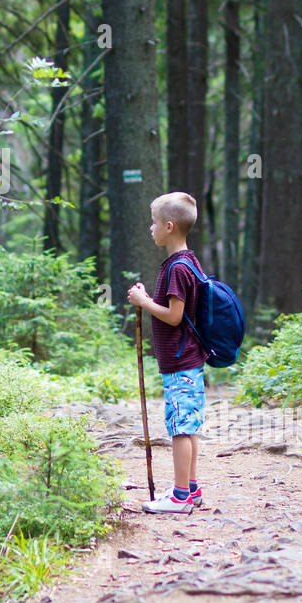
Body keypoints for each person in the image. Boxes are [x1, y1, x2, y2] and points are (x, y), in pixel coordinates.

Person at [126, 191, 207, 514]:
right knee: (187, 426)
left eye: (155, 222)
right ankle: (192, 488)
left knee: (180, 429)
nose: (151, 228)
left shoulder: (177, 269)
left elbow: (174, 316)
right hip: (187, 359)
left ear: (170, 226)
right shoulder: (188, 261)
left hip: (179, 361)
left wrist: (144, 303)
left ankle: (180, 496)